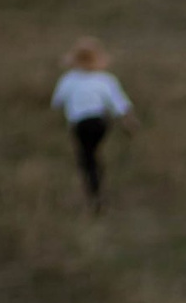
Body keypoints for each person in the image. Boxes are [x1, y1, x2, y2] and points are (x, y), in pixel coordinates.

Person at [51, 39, 132, 210]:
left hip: (80, 124)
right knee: (93, 153)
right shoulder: (106, 80)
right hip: (101, 123)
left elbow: (56, 102)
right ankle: (96, 189)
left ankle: (94, 194)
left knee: (86, 156)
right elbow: (119, 104)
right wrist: (128, 122)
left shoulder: (69, 79)